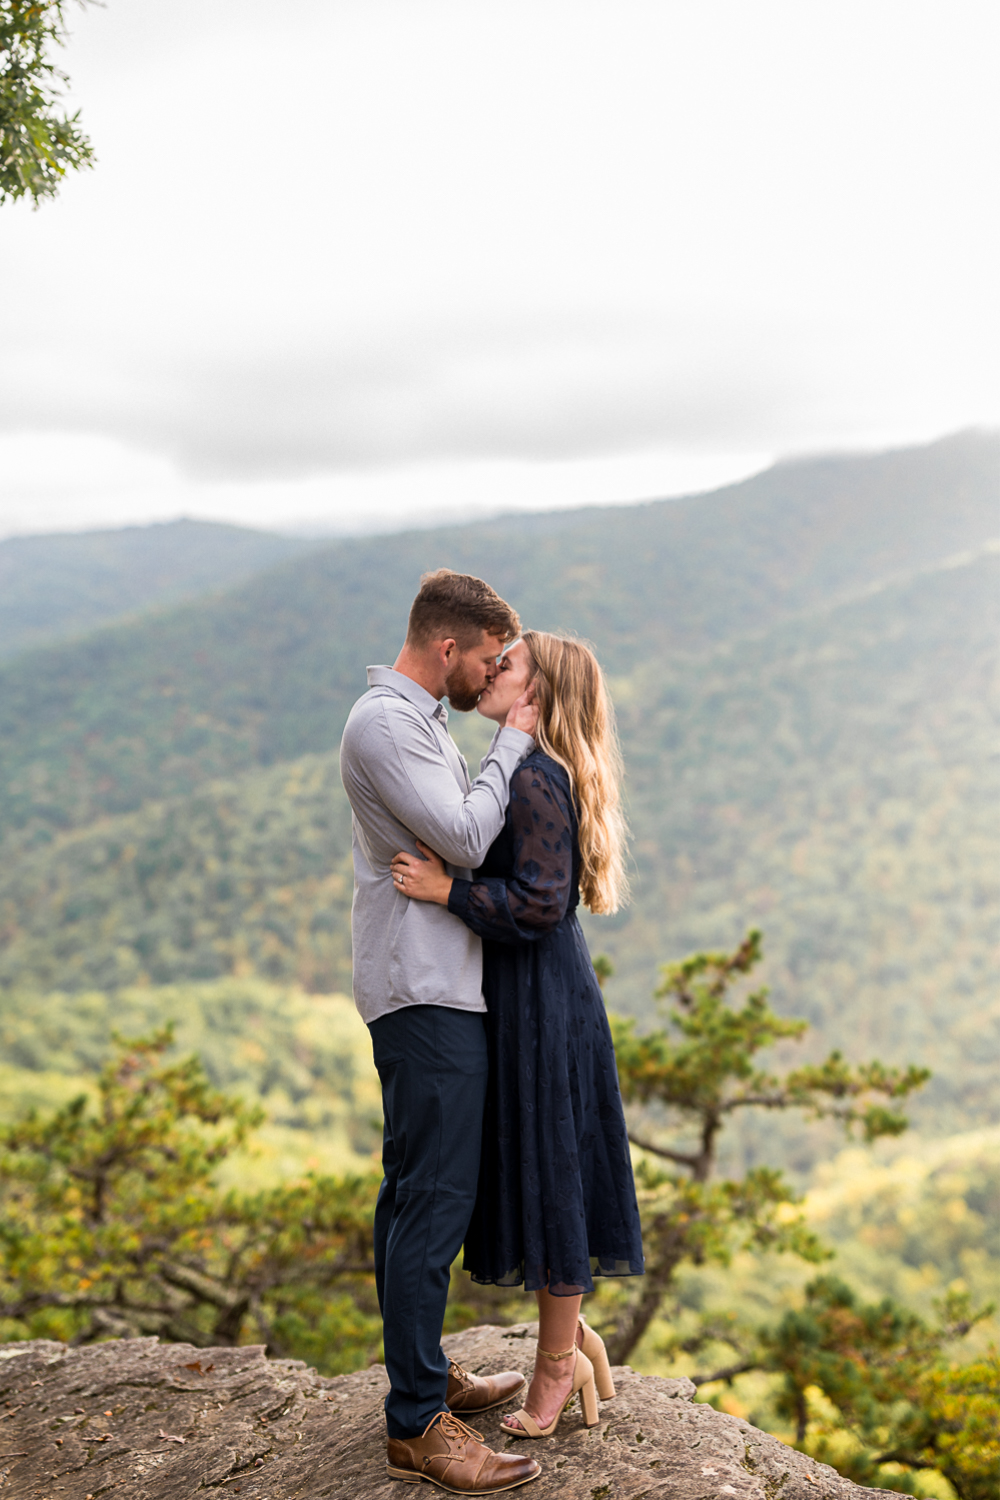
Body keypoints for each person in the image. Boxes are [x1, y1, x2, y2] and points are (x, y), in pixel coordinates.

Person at [391, 631, 644, 1441]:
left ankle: (555, 1366)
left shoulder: (535, 776)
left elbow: (538, 903)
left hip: (540, 995)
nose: (494, 672)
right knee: (541, 1166)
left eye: (511, 666)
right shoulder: (529, 768)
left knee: (555, 1172)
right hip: (530, 991)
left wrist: (446, 892)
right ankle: (571, 1341)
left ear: (540, 696)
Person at [339, 570, 544, 1494]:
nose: (495, 675)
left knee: (411, 1195)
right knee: (434, 1201)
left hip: (431, 986)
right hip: (425, 993)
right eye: (492, 659)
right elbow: (463, 837)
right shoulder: (385, 724)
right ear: (448, 648)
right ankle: (417, 1423)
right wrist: (513, 740)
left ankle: (424, 1381)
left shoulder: (417, 725)